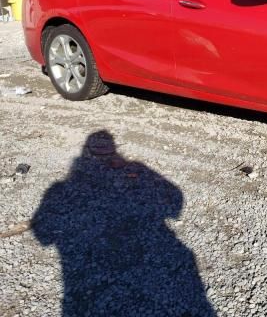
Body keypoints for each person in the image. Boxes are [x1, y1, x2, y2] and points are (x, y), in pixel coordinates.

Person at [32, 130, 216, 316]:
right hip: (137, 263)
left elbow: (43, 235)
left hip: (91, 276)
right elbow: (175, 203)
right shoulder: (133, 172)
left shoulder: (61, 190)